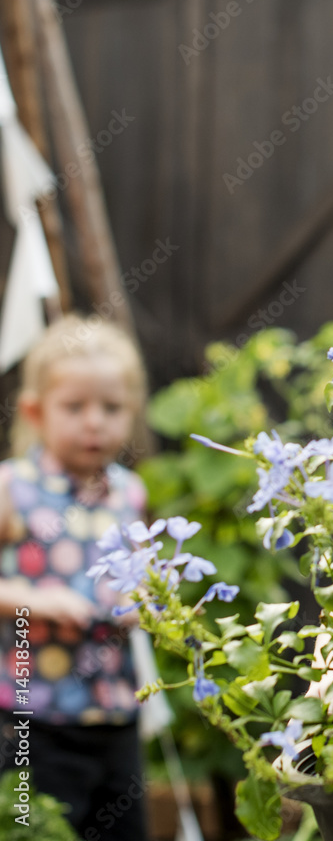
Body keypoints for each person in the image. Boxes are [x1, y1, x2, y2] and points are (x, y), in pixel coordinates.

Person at [0, 314, 150, 841]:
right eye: (75, 407)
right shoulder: (12, 488)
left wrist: (142, 603)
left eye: (111, 408)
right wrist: (31, 601)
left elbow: (141, 579)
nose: (95, 422)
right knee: (37, 829)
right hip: (31, 719)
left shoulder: (128, 493)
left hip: (114, 713)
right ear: (37, 413)